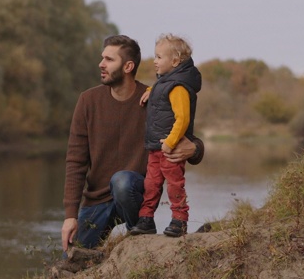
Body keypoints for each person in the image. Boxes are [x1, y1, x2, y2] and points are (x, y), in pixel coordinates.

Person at [61, 34, 204, 251]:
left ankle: (141, 237)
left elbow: (189, 135)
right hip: (96, 201)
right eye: (102, 58)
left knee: (122, 181)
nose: (101, 64)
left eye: (109, 60)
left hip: (135, 193)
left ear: (128, 66)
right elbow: (75, 161)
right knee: (74, 257)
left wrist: (194, 149)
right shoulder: (88, 101)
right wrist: (70, 216)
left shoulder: (154, 99)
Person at [129, 34, 201, 237]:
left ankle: (179, 220)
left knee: (175, 185)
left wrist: (170, 143)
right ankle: (146, 219)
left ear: (175, 61)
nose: (154, 61)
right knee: (150, 184)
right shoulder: (164, 83)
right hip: (155, 147)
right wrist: (153, 90)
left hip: (170, 148)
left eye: (159, 57)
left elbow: (183, 119)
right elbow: (163, 94)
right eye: (155, 56)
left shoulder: (178, 88)